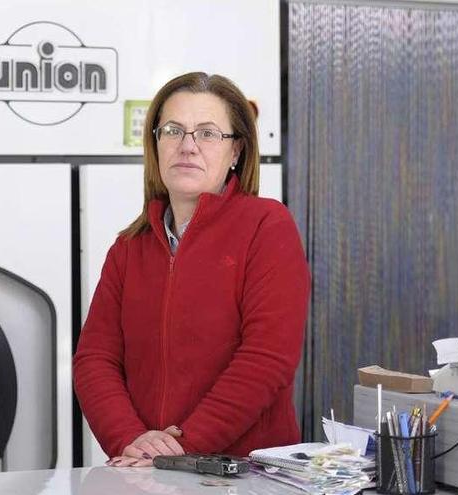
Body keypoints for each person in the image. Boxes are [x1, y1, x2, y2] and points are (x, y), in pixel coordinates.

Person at [73, 72, 310, 467]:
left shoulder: (267, 226)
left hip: (245, 475)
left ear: (236, 152)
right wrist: (132, 441)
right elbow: (95, 360)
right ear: (156, 143)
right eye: (173, 130)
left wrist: (182, 447)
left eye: (207, 133)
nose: (187, 146)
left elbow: (266, 359)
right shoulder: (128, 248)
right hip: (146, 474)